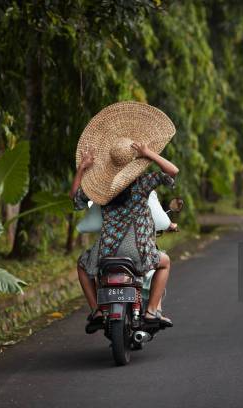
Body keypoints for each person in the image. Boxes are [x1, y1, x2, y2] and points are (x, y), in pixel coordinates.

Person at [68, 101, 178, 334]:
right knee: (165, 262)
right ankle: (150, 311)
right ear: (135, 165)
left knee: (81, 265)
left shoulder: (103, 190)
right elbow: (172, 171)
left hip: (106, 253)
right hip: (139, 253)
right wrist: (149, 153)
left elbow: (76, 199)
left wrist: (82, 169)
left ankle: (97, 310)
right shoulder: (143, 184)